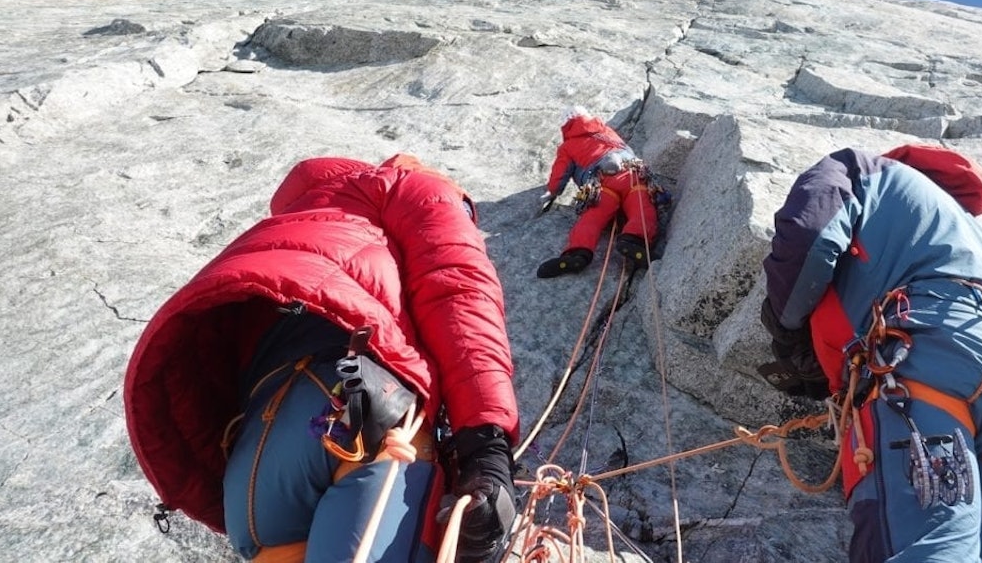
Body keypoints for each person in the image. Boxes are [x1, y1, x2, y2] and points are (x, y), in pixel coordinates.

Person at [124, 154, 520, 563]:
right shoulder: (409, 186)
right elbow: (459, 296)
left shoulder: (279, 229)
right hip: (361, 421)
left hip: (250, 480)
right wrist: (487, 444)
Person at [759, 144, 982, 563]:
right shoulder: (969, 230)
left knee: (930, 552)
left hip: (932, 368)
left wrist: (788, 335)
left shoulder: (857, 168)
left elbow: (809, 237)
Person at [536, 106, 658, 278]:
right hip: (632, 175)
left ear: (566, 126)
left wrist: (552, 192)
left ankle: (577, 252)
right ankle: (633, 239)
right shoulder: (607, 131)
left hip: (601, 184)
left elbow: (560, 174)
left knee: (593, 217)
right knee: (642, 207)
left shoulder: (568, 146)